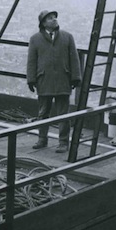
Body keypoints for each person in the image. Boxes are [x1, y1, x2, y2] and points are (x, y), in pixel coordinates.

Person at [26, 9, 81, 153]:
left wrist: (76, 77)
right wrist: (31, 80)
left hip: (63, 79)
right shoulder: (35, 39)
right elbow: (32, 61)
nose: (54, 20)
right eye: (50, 18)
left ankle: (63, 142)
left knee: (63, 113)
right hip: (44, 80)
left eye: (54, 17)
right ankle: (42, 139)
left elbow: (74, 59)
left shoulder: (68, 37)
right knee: (43, 112)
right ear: (43, 23)